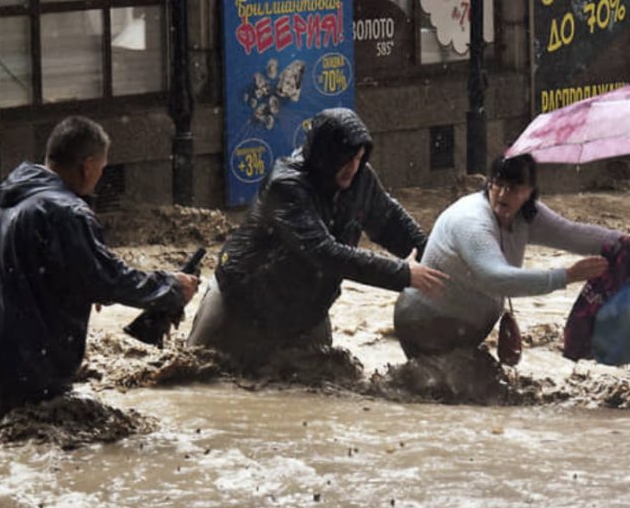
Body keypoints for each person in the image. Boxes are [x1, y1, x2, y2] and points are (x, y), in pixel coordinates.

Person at [0, 116, 200, 432]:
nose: (99, 178)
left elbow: (46, 273)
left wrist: (87, 283)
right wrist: (171, 288)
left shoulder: (13, 196)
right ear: (87, 167)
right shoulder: (65, 211)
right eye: (101, 170)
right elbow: (107, 279)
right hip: (28, 378)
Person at [189, 107, 448, 364]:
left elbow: (392, 223)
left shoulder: (361, 179)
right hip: (238, 306)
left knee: (319, 390)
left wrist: (441, 264)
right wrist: (403, 274)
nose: (353, 168)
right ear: (325, 155)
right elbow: (326, 253)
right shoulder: (287, 186)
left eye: (359, 159)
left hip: (306, 315)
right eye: (346, 160)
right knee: (196, 375)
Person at [393, 153, 630, 359]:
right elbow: (495, 277)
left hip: (465, 328)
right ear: (489, 183)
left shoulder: (527, 215)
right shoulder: (471, 221)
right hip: (425, 324)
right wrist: (566, 276)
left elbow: (573, 233)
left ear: (530, 192)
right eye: (498, 185)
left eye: (515, 188)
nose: (504, 194)